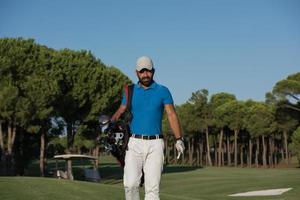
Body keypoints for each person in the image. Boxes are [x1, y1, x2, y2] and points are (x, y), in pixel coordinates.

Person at [111, 56, 185, 200]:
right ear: (136, 72)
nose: (145, 74)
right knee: (131, 184)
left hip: (156, 144)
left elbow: (171, 115)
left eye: (148, 71)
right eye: (142, 71)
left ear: (154, 71)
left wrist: (178, 139)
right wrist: (109, 125)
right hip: (134, 143)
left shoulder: (163, 91)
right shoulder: (130, 91)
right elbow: (121, 109)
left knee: (152, 188)